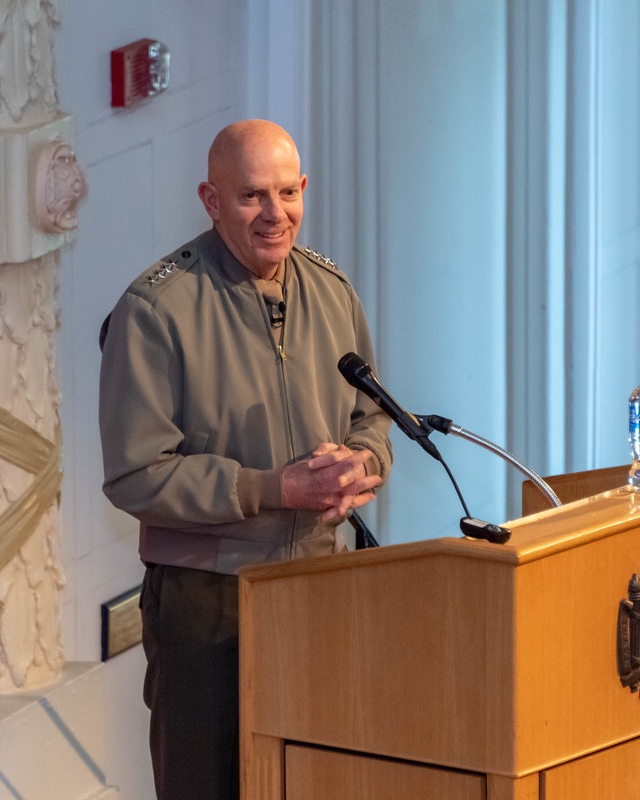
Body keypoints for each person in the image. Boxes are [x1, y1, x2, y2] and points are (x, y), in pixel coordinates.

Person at [98, 119, 393, 799]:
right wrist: (271, 488)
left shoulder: (332, 289)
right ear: (210, 199)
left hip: (322, 583)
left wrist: (362, 462)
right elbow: (134, 473)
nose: (275, 214)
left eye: (288, 193)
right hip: (208, 602)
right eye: (252, 196)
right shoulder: (156, 309)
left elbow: (371, 414)